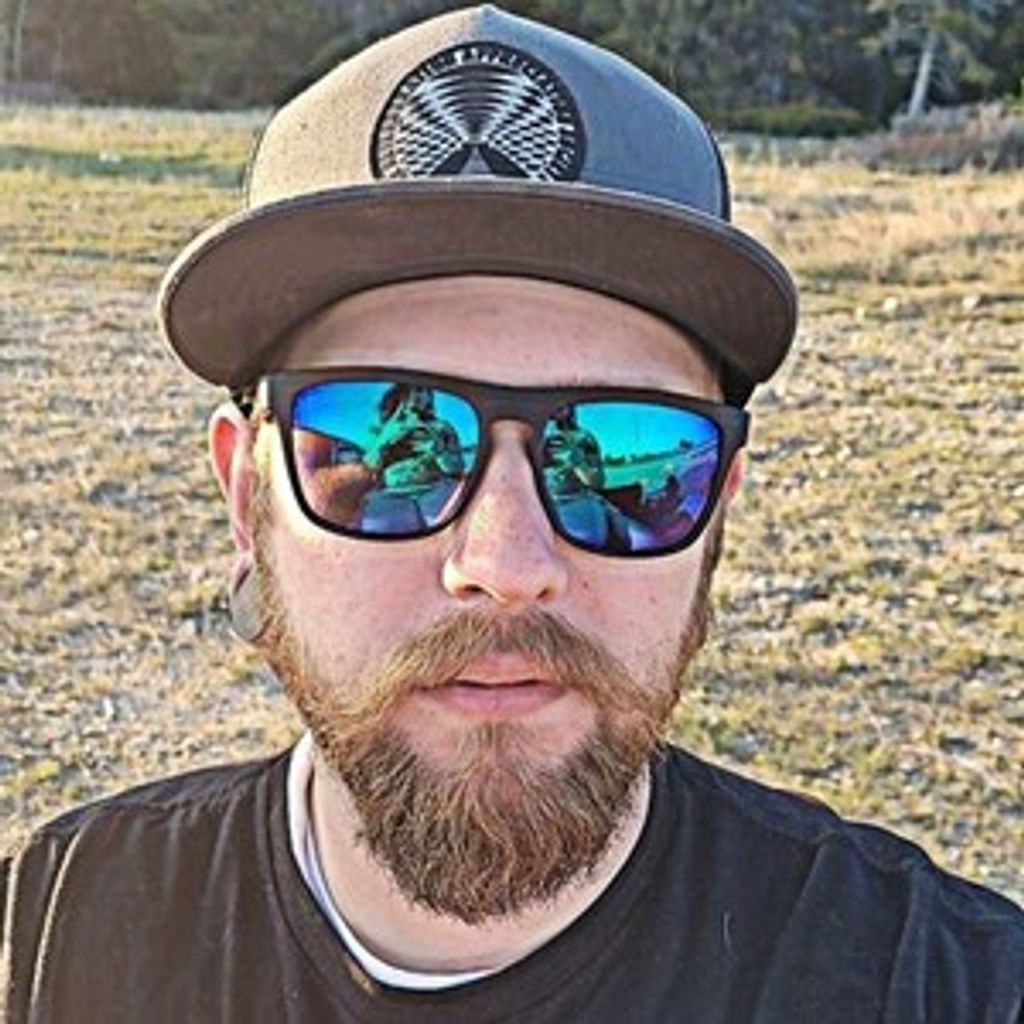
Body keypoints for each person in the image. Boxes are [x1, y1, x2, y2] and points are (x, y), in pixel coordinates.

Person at [2, 7, 1021, 1022]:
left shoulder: (940, 987)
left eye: (608, 457)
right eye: (376, 442)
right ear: (245, 500)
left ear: (716, 513)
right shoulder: (49, 946)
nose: (504, 563)